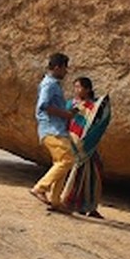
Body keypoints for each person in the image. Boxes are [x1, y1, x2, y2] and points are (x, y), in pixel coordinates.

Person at [29, 52, 77, 212]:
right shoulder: (49, 84)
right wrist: (66, 114)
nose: (66, 72)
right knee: (68, 159)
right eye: (65, 68)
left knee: (61, 163)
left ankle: (56, 201)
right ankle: (40, 188)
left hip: (55, 129)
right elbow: (44, 105)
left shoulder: (53, 84)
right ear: (57, 67)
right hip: (52, 129)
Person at [60, 77, 111, 218]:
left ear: (88, 89)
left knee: (94, 171)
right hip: (73, 143)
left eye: (79, 87)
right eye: (75, 87)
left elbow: (98, 123)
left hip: (87, 145)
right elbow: (65, 121)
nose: (76, 90)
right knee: (76, 173)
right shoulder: (71, 104)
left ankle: (90, 206)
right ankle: (69, 202)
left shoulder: (94, 107)